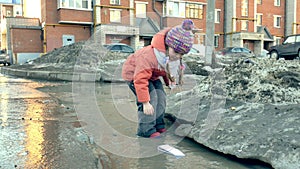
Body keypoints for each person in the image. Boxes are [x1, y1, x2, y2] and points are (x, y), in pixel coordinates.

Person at [122, 19, 194, 138]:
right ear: (167, 46)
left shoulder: (170, 57)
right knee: (151, 99)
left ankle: (158, 124)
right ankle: (146, 130)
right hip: (134, 74)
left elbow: (166, 71)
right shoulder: (149, 57)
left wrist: (169, 84)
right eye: (176, 52)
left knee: (161, 96)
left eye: (182, 54)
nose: (178, 56)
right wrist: (145, 102)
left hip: (152, 75)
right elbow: (140, 80)